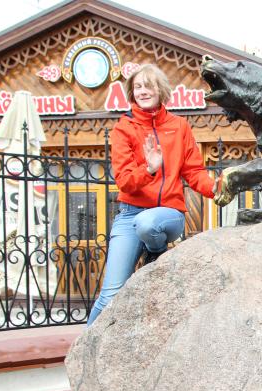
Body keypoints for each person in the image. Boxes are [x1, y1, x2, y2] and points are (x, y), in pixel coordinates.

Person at [88, 64, 216, 325]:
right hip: (130, 214)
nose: (143, 91)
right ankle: (83, 347)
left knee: (148, 223)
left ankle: (155, 250)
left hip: (167, 215)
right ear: (132, 93)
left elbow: (194, 172)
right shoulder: (124, 129)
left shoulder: (179, 126)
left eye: (149, 85)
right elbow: (125, 182)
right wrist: (149, 169)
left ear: (161, 90)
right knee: (109, 294)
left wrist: (217, 189)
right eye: (137, 87)